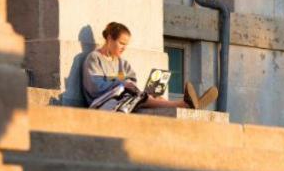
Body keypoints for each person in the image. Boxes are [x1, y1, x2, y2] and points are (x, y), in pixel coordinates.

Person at [82, 22, 219, 111]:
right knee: (139, 97)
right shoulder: (94, 58)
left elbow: (130, 81)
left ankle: (187, 105)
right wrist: (122, 84)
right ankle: (183, 104)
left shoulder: (122, 63)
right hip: (102, 104)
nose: (124, 48)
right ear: (110, 38)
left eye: (126, 45)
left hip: (123, 97)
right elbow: (95, 87)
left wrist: (129, 85)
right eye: (121, 43)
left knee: (154, 98)